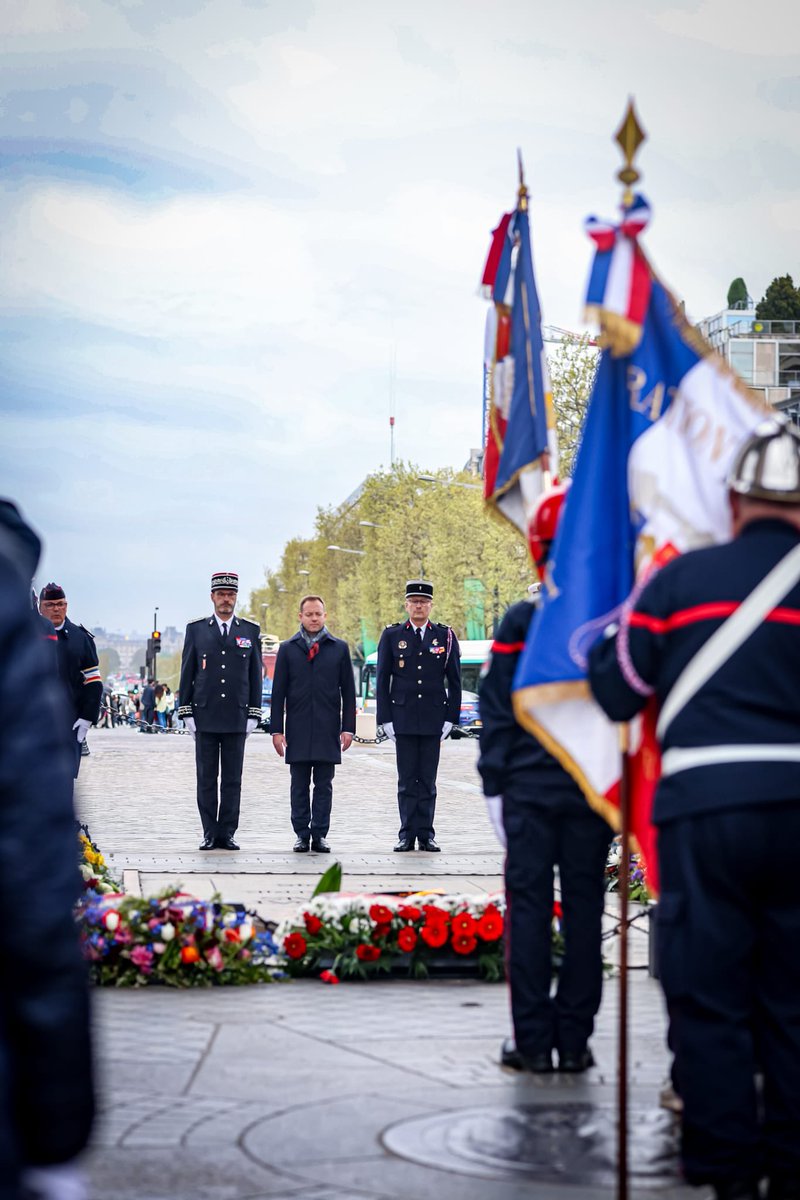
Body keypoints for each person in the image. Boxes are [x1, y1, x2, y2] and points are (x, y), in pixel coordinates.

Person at [588, 417, 800, 1200]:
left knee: (708, 1001)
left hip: (703, 811)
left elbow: (615, 687)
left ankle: (727, 1180)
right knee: (793, 1004)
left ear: (736, 500)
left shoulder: (681, 582)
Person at [478, 486, 613, 1075]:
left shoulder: (520, 620)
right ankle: (575, 1041)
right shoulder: (610, 623)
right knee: (585, 915)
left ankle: (532, 1041)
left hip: (529, 796)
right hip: (588, 794)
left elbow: (496, 713)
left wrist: (493, 785)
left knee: (530, 914)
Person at [0, 499, 94, 1200]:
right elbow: (33, 880)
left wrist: (87, 722)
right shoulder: (17, 619)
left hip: (59, 734)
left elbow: (87, 681)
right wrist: (56, 1135)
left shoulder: (78, 636)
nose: (54, 608)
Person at [178, 571, 262, 851]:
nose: (226, 600)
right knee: (206, 778)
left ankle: (227, 833)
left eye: (231, 595)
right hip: (205, 715)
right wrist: (187, 711)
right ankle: (208, 832)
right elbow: (187, 671)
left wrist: (253, 712)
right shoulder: (197, 630)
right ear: (212, 597)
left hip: (236, 716)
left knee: (232, 780)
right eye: (221, 594)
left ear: (236, 597)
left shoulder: (250, 631)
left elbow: (255, 675)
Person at [376, 580, 461, 852]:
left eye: (423, 602)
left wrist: (451, 718)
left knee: (427, 780)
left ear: (431, 605)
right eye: (414, 601)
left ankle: (426, 834)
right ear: (406, 605)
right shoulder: (392, 635)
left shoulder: (445, 636)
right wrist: (385, 719)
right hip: (403, 717)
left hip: (433, 717)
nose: (419, 606)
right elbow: (382, 680)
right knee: (405, 780)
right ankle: (406, 834)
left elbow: (455, 681)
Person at [270, 595, 357, 852]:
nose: (314, 618)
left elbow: (348, 692)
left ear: (325, 615)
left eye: (318, 613)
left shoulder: (339, 648)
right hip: (296, 729)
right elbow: (278, 693)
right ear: (300, 616)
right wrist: (277, 730)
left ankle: (319, 834)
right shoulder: (287, 649)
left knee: (324, 785)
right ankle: (300, 833)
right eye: (309, 614)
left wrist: (348, 727)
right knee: (298, 785)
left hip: (327, 729)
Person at [38, 581, 102, 777]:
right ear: (40, 607)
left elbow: (93, 682)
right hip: (34, 720)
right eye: (50, 605)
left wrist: (87, 718)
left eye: (60, 604)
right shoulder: (27, 634)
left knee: (64, 781)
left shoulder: (81, 638)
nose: (56, 609)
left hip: (69, 719)